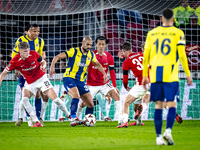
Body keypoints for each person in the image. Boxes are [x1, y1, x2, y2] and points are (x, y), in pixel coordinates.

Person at [142, 8, 193, 145]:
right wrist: (188, 74)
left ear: (161, 18)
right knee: (172, 105)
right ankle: (168, 131)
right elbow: (182, 55)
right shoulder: (178, 33)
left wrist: (144, 75)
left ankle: (158, 137)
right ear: (174, 19)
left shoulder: (152, 33)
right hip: (171, 75)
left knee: (158, 105)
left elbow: (146, 56)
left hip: (156, 75)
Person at [0, 42, 70, 127]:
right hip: (30, 82)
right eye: (25, 51)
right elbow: (3, 73)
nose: (27, 53)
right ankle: (36, 121)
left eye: (28, 51)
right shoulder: (15, 61)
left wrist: (43, 66)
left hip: (42, 78)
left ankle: (68, 115)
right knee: (24, 99)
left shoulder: (33, 54)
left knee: (56, 100)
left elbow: (43, 61)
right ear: (20, 51)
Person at [49, 36, 109, 127]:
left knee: (90, 104)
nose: (89, 47)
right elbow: (57, 57)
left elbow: (97, 64)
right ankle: (73, 118)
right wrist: (52, 66)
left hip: (81, 81)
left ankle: (87, 121)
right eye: (87, 44)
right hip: (69, 78)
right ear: (82, 43)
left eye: (90, 45)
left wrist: (104, 74)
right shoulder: (74, 51)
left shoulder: (91, 55)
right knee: (76, 96)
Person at [75, 36, 122, 123]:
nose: (101, 46)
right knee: (83, 103)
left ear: (105, 45)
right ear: (96, 44)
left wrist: (114, 86)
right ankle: (76, 118)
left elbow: (112, 72)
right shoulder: (90, 55)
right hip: (91, 85)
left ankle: (120, 119)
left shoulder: (109, 56)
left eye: (103, 44)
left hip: (104, 84)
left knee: (116, 96)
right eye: (99, 44)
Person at [12, 24, 49, 127]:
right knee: (25, 94)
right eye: (34, 31)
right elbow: (14, 54)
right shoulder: (20, 40)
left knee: (38, 94)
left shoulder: (40, 41)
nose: (36, 34)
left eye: (38, 32)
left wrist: (43, 64)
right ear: (27, 31)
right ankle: (26, 118)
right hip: (24, 70)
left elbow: (42, 55)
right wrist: (16, 68)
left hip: (35, 71)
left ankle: (37, 119)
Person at [116, 42, 150, 128]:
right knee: (138, 105)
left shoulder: (126, 62)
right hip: (152, 81)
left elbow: (125, 79)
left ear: (123, 51)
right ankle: (139, 122)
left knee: (126, 103)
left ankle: (124, 122)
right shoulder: (141, 54)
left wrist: (126, 86)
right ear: (131, 49)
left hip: (141, 84)